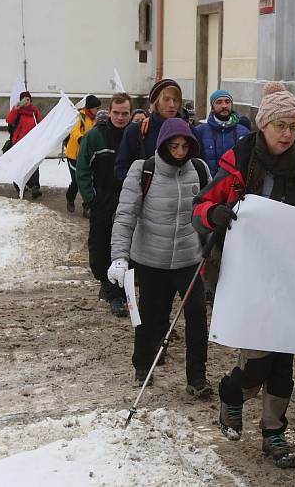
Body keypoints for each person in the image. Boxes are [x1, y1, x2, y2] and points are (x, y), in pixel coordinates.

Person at [192, 81, 295, 469]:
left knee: (283, 359)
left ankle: (274, 433)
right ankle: (232, 392)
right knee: (257, 360)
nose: (287, 134)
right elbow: (200, 207)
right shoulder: (241, 157)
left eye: (293, 127)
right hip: (247, 273)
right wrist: (215, 215)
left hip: (292, 273)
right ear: (263, 127)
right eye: (280, 126)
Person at [108, 118, 213, 399]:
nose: (179, 152)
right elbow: (125, 215)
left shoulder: (199, 170)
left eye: (185, 146)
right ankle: (143, 365)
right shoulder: (143, 170)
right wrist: (119, 256)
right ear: (163, 146)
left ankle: (197, 376)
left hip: (189, 258)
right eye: (174, 146)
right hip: (152, 259)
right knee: (151, 316)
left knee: (196, 315)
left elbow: (210, 210)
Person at [76, 93, 132, 317]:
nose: (120, 117)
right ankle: (108, 285)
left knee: (126, 249)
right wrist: (91, 199)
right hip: (103, 204)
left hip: (129, 204)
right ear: (109, 112)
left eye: (125, 113)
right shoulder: (95, 137)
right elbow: (82, 170)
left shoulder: (134, 136)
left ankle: (118, 293)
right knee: (101, 248)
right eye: (116, 113)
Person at [114, 78, 184, 181]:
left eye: (176, 100)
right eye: (166, 99)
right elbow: (121, 169)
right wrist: (144, 184)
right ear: (156, 102)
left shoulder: (189, 131)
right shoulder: (136, 131)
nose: (172, 105)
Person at [195, 89, 250, 177]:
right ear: (212, 107)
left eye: (227, 102)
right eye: (219, 102)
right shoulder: (200, 131)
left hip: (235, 186)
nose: (224, 105)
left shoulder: (244, 132)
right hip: (209, 186)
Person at [65, 94, 100, 215]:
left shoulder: (96, 119)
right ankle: (70, 198)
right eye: (96, 108)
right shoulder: (79, 116)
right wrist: (81, 138)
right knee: (76, 181)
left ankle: (87, 207)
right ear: (90, 108)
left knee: (89, 181)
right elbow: (73, 130)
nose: (98, 110)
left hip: (88, 156)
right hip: (74, 155)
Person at [5, 91, 43, 198]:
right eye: (24, 99)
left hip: (32, 143)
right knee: (20, 166)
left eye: (28, 99)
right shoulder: (18, 111)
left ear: (31, 100)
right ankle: (19, 186)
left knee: (33, 165)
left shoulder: (35, 112)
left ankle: (35, 187)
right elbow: (8, 120)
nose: (26, 101)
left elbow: (41, 125)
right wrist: (15, 110)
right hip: (19, 144)